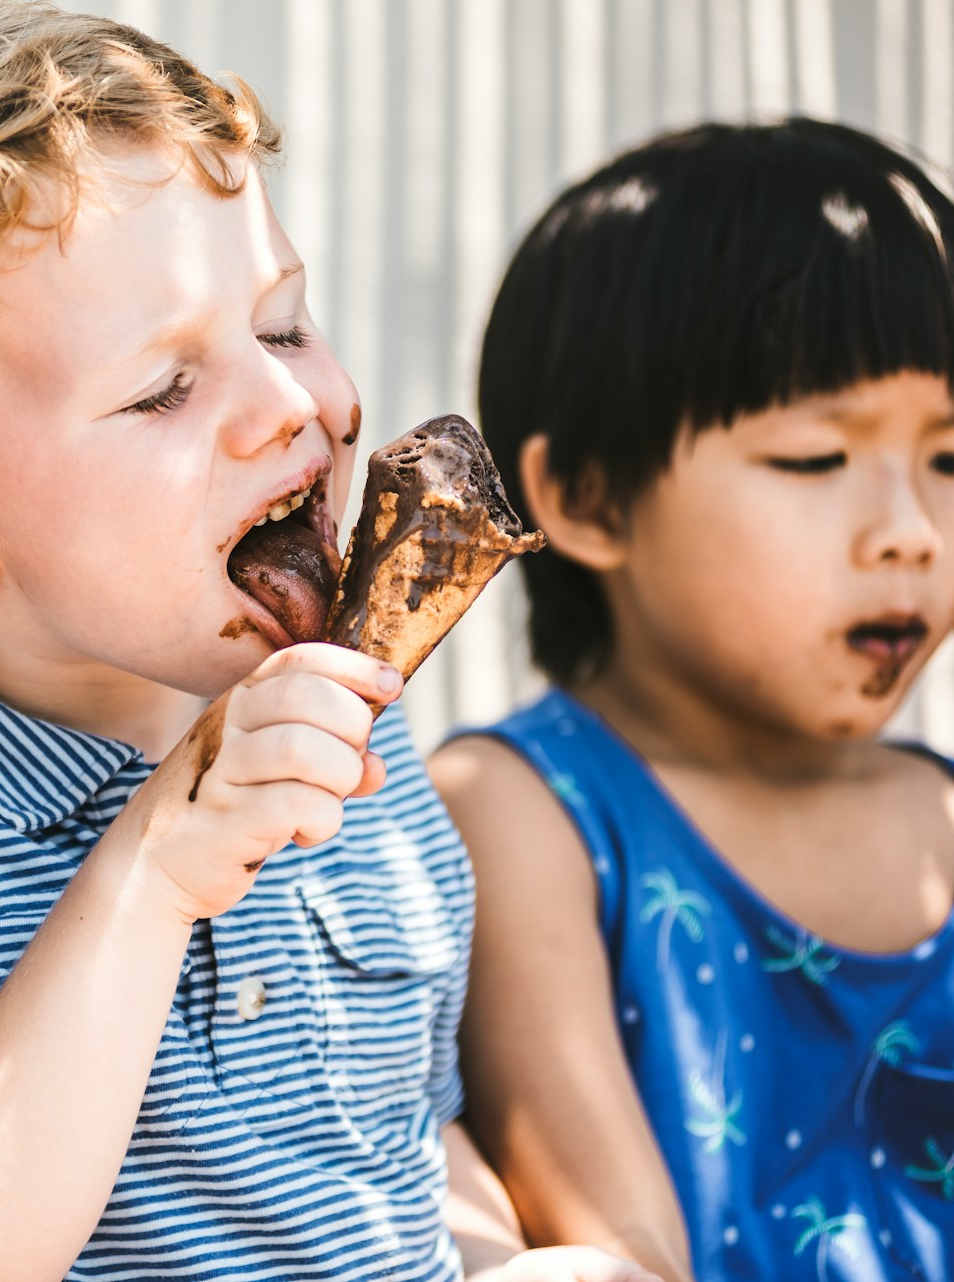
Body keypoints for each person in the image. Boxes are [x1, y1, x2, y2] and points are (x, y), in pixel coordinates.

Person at [0, 3, 655, 1279]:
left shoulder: (348, 724)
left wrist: (503, 1257)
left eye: (284, 324)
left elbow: (392, 1133)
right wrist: (156, 869)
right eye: (162, 390)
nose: (289, 402)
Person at [432, 119, 954, 1282]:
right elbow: (621, 1257)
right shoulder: (525, 809)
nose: (912, 532)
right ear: (590, 498)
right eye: (816, 460)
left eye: (948, 459)